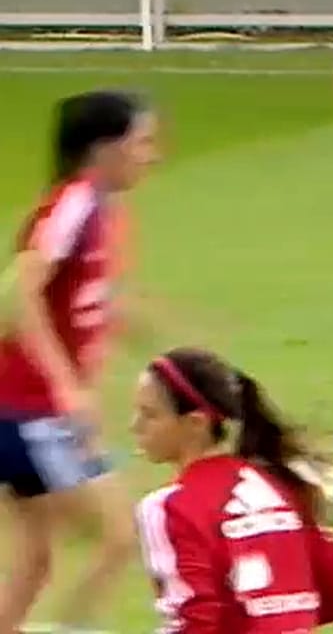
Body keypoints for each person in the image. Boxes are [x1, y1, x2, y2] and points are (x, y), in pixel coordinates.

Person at [0, 90, 159, 633]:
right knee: (119, 535)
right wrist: (67, 387)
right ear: (104, 149)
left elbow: (90, 302)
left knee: (33, 561)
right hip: (29, 411)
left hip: (25, 409)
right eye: (142, 142)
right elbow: (24, 290)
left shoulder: (101, 211)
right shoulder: (75, 203)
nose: (152, 155)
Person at [131, 347, 333, 633]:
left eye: (149, 415)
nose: (136, 426)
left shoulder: (168, 507)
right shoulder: (277, 485)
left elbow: (196, 618)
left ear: (196, 423)